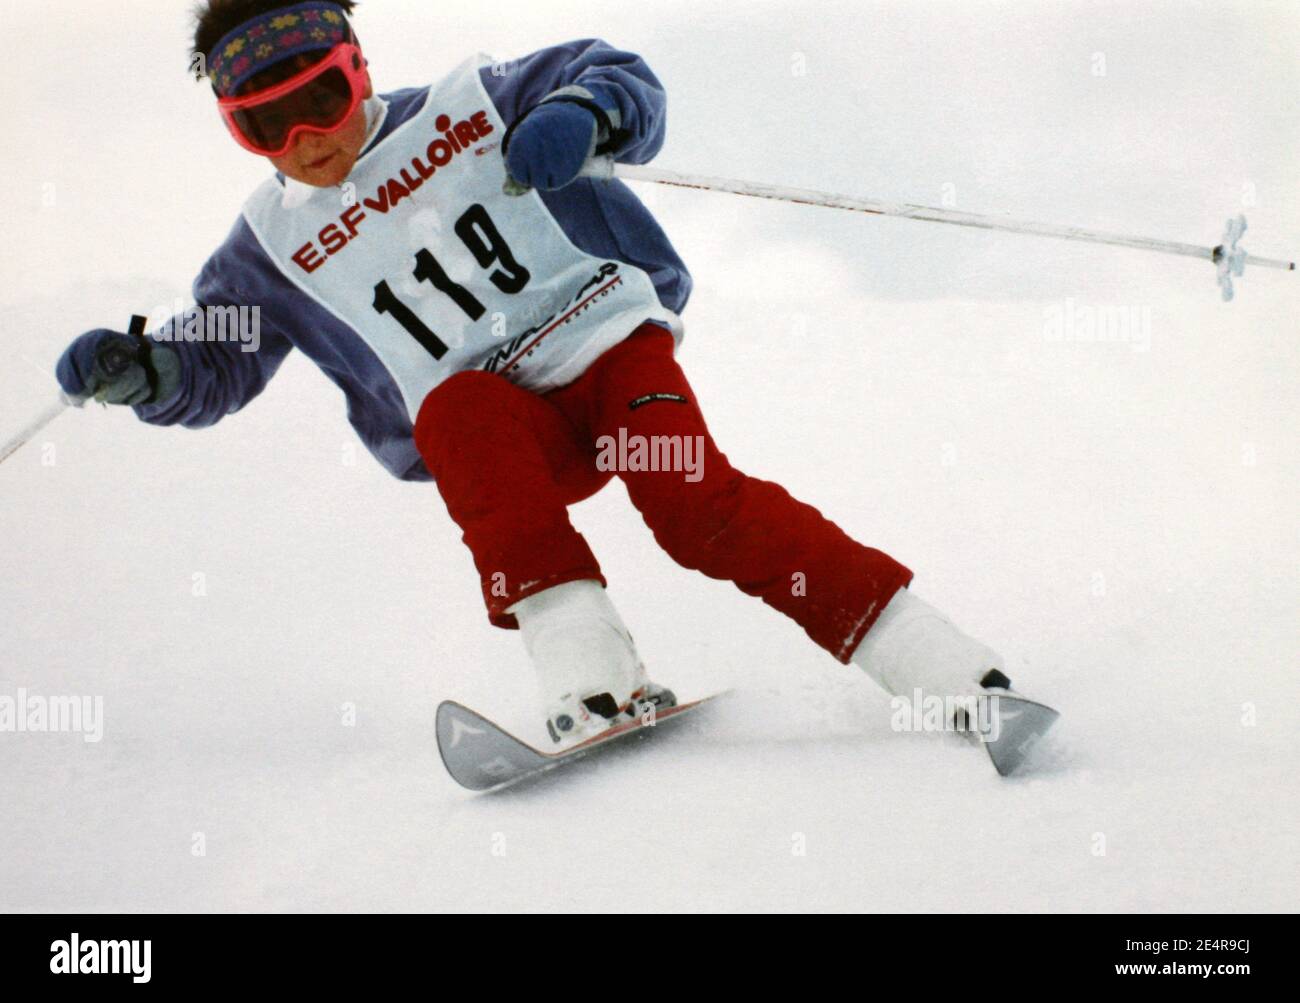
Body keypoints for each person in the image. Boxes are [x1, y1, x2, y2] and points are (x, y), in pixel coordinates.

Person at [56, 0, 1019, 748]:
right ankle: (589, 672)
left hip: (604, 355)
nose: (308, 139)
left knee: (697, 508)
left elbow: (617, 77)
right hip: (511, 437)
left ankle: (940, 667)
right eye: (267, 127)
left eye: (322, 100)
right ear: (238, 133)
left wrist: (577, 114)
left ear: (359, 68)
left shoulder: (468, 106)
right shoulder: (268, 248)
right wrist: (149, 369)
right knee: (459, 408)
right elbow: (216, 352)